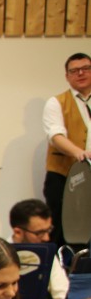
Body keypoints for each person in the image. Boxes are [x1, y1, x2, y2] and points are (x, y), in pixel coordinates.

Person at [42, 52, 91, 246]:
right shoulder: (56, 103)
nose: (80, 73)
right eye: (74, 71)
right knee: (61, 230)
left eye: (85, 69)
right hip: (63, 176)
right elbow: (55, 136)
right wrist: (78, 153)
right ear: (67, 76)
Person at [9, 198, 69, 299]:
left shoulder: (47, 253)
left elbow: (62, 298)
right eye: (39, 233)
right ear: (18, 232)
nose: (46, 238)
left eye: (48, 230)